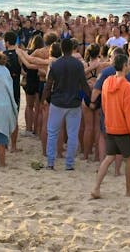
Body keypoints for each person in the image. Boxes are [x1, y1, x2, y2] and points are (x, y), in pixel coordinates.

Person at [91, 53, 130, 199]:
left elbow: (104, 106)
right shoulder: (127, 86)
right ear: (125, 66)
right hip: (123, 129)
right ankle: (129, 191)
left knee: (109, 158)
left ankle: (96, 188)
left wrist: (107, 123)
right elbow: (129, 114)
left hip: (110, 126)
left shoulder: (106, 82)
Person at [44, 37, 87, 171]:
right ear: (73, 49)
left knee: (52, 133)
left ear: (62, 49)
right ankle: (69, 164)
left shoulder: (55, 64)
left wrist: (45, 99)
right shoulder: (78, 64)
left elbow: (49, 84)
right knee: (72, 134)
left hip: (57, 101)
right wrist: (88, 98)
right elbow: (84, 84)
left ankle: (51, 162)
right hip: (74, 102)